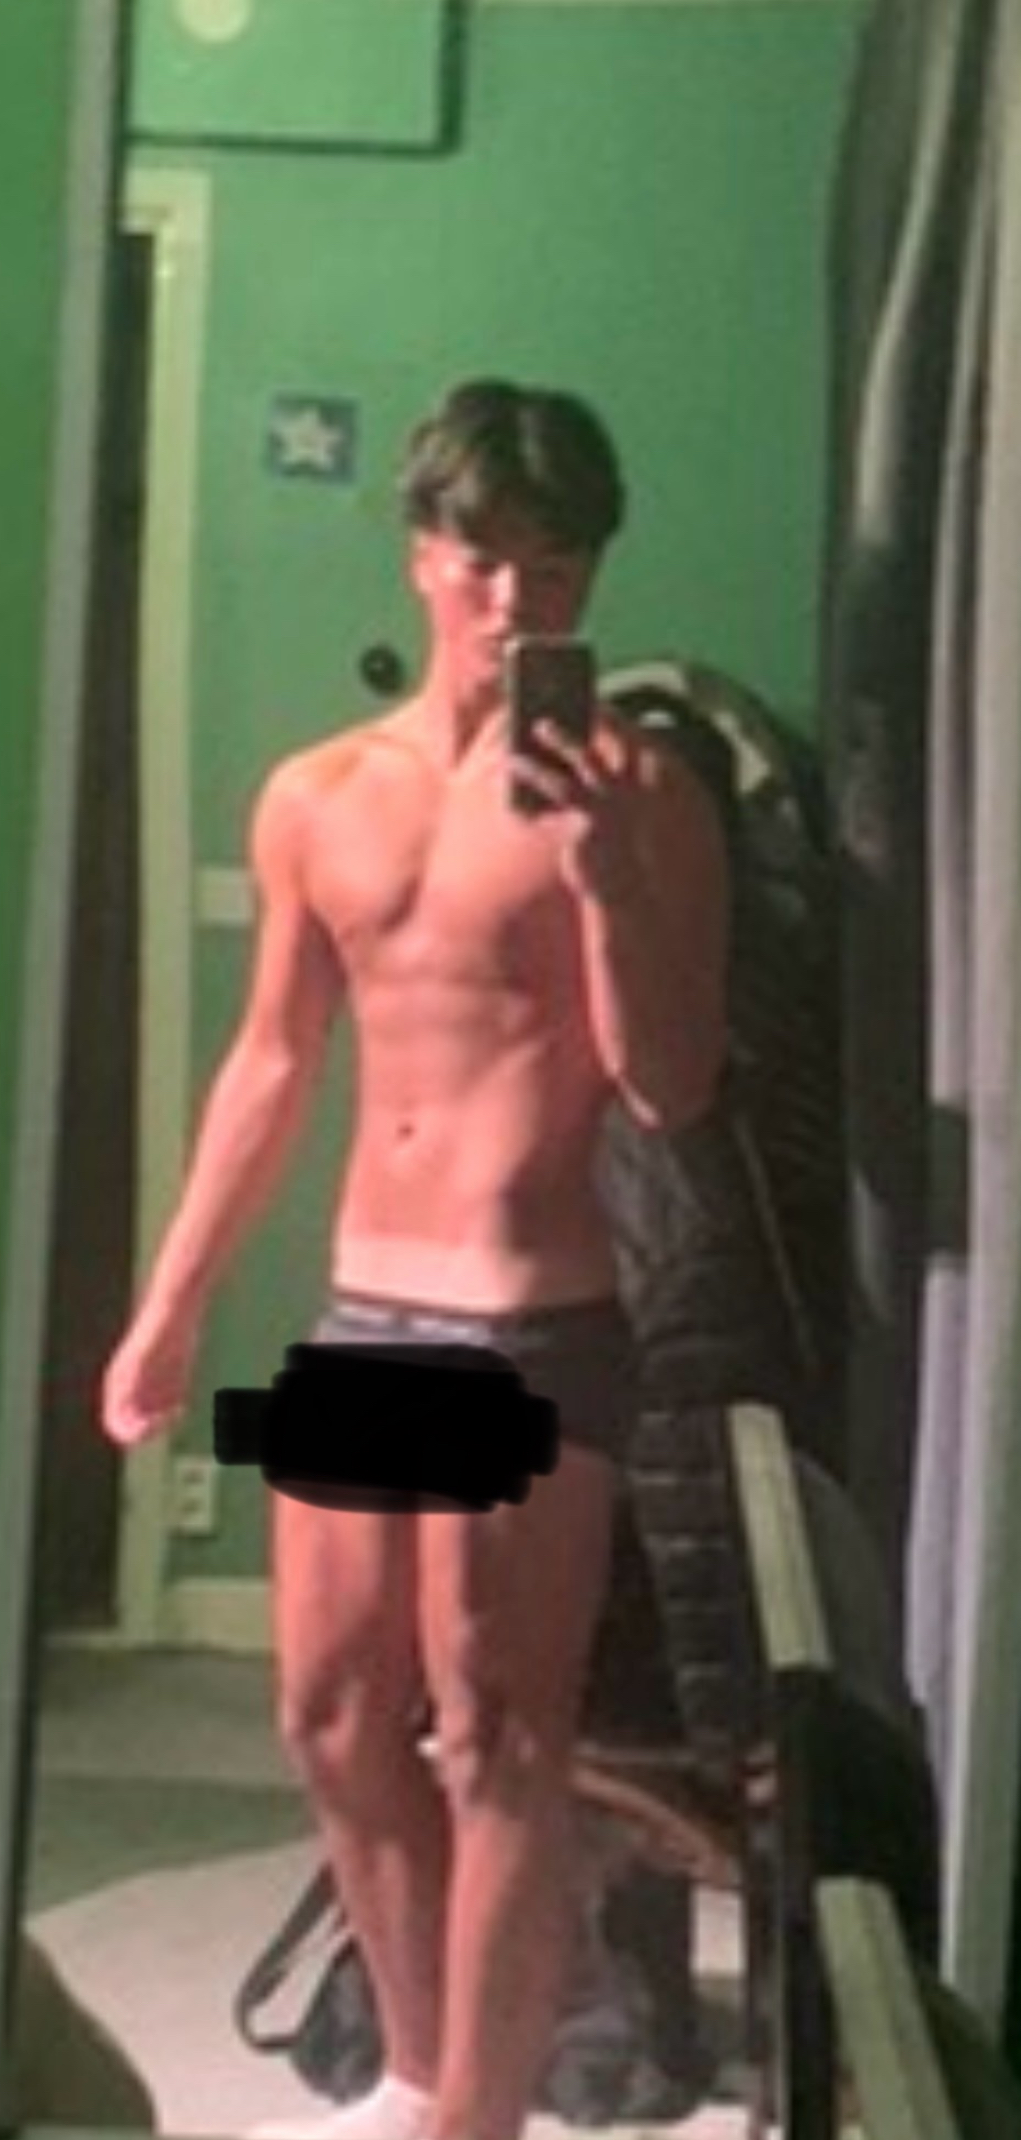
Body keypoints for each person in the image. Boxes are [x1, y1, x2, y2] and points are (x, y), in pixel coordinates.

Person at [101, 379, 729, 2140]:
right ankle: (420, 2071)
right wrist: (169, 1304)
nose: (515, 600)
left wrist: (606, 881)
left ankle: (480, 2121)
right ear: (421, 556)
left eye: (555, 565)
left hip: (529, 1324)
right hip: (364, 1317)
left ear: (590, 574)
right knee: (325, 1716)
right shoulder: (318, 797)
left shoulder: (645, 796)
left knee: (495, 1738)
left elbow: (673, 1087)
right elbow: (270, 1062)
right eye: (484, 558)